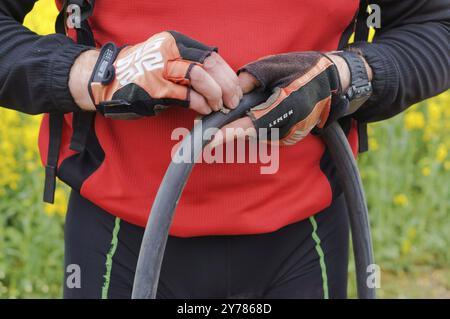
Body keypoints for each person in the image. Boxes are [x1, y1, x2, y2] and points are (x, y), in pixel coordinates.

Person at [0, 0, 448, 299]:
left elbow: (437, 22)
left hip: (303, 235)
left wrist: (348, 73)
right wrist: (98, 73)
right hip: (118, 239)